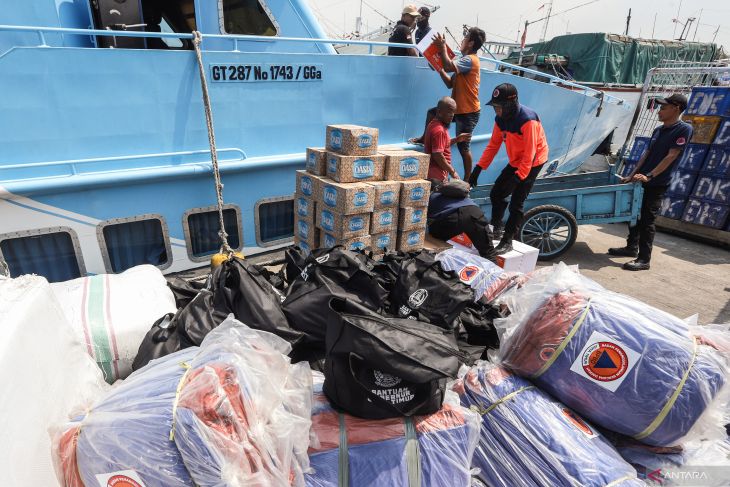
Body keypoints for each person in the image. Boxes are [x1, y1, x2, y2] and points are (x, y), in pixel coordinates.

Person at [608, 93, 693, 271]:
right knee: (635, 215)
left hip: (657, 182)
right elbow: (646, 155)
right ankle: (631, 248)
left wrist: (650, 176)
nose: (659, 112)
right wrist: (632, 174)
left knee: (647, 220)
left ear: (676, 108)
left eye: (663, 108)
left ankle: (644, 259)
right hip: (641, 179)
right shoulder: (658, 130)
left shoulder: (683, 129)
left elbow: (671, 156)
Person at [468, 83, 549, 254]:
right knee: (496, 193)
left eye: (499, 107)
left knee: (516, 203)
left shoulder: (528, 120)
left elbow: (530, 153)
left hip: (533, 161)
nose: (496, 110)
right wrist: (478, 169)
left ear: (510, 104)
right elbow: (493, 145)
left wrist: (519, 177)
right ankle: (497, 228)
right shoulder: (500, 120)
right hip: (516, 159)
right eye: (495, 107)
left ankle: (508, 240)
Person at [432, 27, 486, 181]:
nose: (462, 41)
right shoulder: (464, 62)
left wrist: (442, 49)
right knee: (433, 113)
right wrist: (439, 68)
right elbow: (450, 83)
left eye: (465, 38)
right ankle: (426, 140)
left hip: (468, 111)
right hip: (458, 109)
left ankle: (468, 181)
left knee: (464, 147)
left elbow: (449, 66)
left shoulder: (469, 60)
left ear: (470, 43)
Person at [428, 180, 497, 261]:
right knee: (488, 252)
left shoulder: (429, 197)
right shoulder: (454, 194)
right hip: (475, 213)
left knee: (434, 243)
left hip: (452, 217)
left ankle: (433, 266)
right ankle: (496, 272)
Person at [425, 97, 471, 182]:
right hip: (437, 177)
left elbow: (441, 145)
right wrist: (452, 172)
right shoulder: (439, 130)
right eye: (449, 112)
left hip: (432, 175)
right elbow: (438, 155)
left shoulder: (433, 124)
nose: (452, 115)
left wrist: (457, 139)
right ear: (439, 112)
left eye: (453, 112)